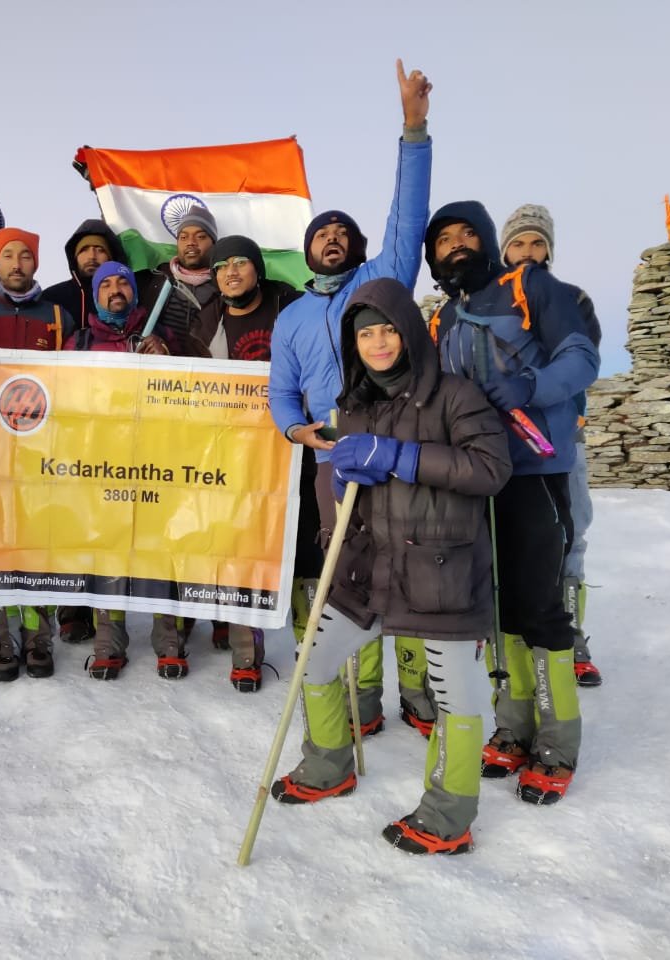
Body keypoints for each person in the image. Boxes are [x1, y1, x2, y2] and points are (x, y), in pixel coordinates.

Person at [271, 279, 510, 858]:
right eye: (365, 333)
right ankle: (330, 764)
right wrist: (340, 485)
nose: (378, 342)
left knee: (459, 698)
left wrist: (401, 458)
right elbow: (344, 488)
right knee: (316, 661)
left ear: (408, 331)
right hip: (368, 574)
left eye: (387, 329)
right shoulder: (354, 408)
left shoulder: (455, 397)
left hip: (438, 575)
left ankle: (448, 816)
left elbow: (490, 468)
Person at [267, 59, 434, 739]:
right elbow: (281, 388)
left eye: (342, 232)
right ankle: (364, 697)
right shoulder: (290, 317)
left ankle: (421, 693)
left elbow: (408, 216)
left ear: (359, 248)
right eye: (320, 233)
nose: (331, 238)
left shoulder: (381, 281)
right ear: (308, 252)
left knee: (417, 564)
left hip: (398, 445)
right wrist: (293, 430)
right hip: (333, 459)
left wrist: (414, 130)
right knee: (352, 575)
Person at [424, 200, 599, 804]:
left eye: (467, 233)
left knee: (540, 608)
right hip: (477, 477)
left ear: (489, 240)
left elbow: (582, 358)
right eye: (444, 239)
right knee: (499, 608)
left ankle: (557, 742)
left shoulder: (529, 286)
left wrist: (529, 385)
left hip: (534, 469)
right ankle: (515, 725)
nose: (456, 245)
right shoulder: (445, 317)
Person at [192, 236, 309, 691]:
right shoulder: (207, 324)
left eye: (241, 262)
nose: (231, 272)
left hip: (294, 442)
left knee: (300, 548)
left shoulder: (290, 308)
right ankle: (246, 650)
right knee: (239, 545)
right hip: (234, 450)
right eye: (222, 266)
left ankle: (311, 646)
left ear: (257, 268)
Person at [63, 262, 188, 681]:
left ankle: (167, 634)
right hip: (101, 462)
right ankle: (109, 636)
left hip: (157, 460)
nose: (115, 290)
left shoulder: (161, 336)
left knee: (159, 546)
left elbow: (195, 392)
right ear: (96, 294)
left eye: (123, 283)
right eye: (107, 284)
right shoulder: (80, 342)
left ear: (134, 292)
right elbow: (63, 397)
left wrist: (168, 358)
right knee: (108, 546)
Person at [0, 227, 74, 681]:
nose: (17, 263)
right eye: (7, 255)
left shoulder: (58, 317)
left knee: (37, 543)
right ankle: (0, 637)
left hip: (43, 452)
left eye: (25, 255)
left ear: (35, 263)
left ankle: (37, 634)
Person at [499, 203, 604, 687]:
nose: (527, 252)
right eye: (518, 243)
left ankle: (571, 634)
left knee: (571, 534)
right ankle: (518, 645)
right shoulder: (490, 304)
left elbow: (578, 359)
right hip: (509, 446)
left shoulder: (571, 299)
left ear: (550, 250)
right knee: (524, 544)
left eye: (537, 243)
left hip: (561, 440)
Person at [44, 219, 130, 645]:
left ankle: (114, 616)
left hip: (127, 444)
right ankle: (73, 605)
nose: (92, 256)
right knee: (76, 525)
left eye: (101, 249)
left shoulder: (140, 319)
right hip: (80, 441)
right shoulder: (55, 299)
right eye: (84, 251)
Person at [135, 205, 220, 347]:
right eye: (183, 237)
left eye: (200, 236)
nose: (191, 242)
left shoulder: (225, 286)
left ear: (214, 244)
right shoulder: (156, 277)